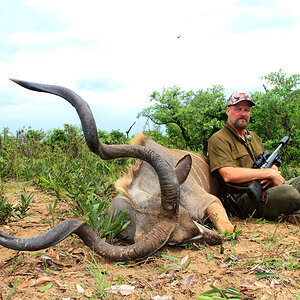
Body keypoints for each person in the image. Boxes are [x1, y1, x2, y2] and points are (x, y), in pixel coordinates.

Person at [207, 92, 300, 222]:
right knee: (289, 193)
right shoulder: (219, 139)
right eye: (238, 109)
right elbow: (228, 174)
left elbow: (267, 162)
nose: (243, 113)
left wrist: (272, 171)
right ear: (228, 111)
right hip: (245, 198)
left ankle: (292, 211)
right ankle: (292, 211)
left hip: (266, 188)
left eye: (247, 110)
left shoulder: (254, 137)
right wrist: (267, 174)